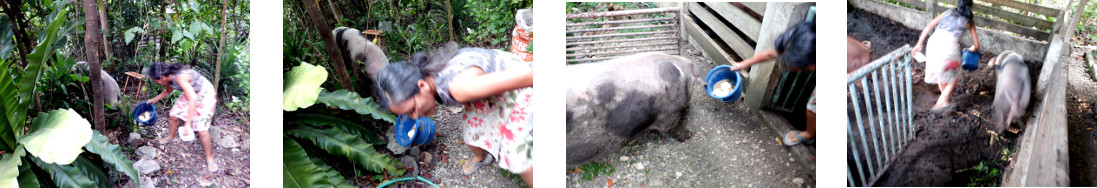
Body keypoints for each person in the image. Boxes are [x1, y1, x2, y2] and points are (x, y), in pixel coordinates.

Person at [375, 42, 534, 185]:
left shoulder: (461, 88)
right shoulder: (430, 72)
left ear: (422, 85)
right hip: (491, 88)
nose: (415, 117)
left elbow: (530, 76)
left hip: (520, 87)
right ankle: (482, 157)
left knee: (517, 156)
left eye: (412, 109)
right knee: (472, 129)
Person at [728, 21, 816, 146]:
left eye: (786, 63)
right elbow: (771, 54)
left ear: (810, 67)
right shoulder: (804, 44)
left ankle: (809, 135)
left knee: (813, 108)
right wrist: (744, 64)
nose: (781, 61)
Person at [144, 61, 219, 172]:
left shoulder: (180, 77)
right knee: (173, 115)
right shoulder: (168, 78)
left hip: (205, 93)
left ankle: (210, 157)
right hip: (192, 92)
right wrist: (153, 100)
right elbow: (168, 91)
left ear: (162, 77)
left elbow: (193, 98)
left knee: (201, 130)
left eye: (156, 81)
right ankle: (171, 137)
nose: (157, 83)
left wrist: (187, 124)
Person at [911, 0, 979, 112]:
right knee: (955, 76)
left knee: (941, 72)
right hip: (949, 47)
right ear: (970, 6)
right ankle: (940, 103)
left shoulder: (948, 12)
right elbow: (976, 46)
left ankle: (945, 102)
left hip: (933, 43)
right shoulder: (969, 22)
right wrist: (970, 49)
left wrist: (918, 45)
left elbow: (929, 26)